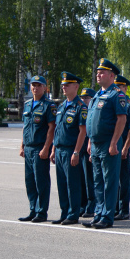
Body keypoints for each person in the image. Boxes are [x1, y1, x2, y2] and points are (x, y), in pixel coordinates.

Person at [84, 58, 128, 229]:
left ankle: (107, 216)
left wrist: (114, 142)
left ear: (111, 75)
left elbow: (121, 119)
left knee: (109, 181)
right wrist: (89, 141)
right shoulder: (97, 95)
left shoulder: (116, 94)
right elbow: (91, 121)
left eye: (102, 72)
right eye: (97, 72)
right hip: (95, 143)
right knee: (97, 181)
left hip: (109, 143)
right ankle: (98, 213)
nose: (98, 74)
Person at [50, 72, 87, 225]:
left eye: (67, 85)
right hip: (59, 149)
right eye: (63, 85)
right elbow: (57, 129)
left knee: (73, 183)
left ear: (76, 87)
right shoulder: (61, 106)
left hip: (71, 150)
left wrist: (76, 152)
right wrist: (53, 149)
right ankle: (64, 212)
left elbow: (82, 131)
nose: (64, 87)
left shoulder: (80, 106)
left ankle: (73, 214)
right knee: (62, 184)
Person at [19, 75, 56, 222]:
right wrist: (22, 145)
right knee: (30, 181)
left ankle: (41, 212)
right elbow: (25, 127)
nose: (35, 87)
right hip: (28, 148)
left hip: (40, 148)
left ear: (45, 88)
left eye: (39, 85)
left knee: (41, 181)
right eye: (33, 85)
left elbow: (51, 128)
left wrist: (47, 148)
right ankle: (32, 209)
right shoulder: (28, 104)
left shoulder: (48, 105)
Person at [113, 75, 130, 221]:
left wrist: (126, 147)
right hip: (113, 145)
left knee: (123, 179)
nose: (116, 90)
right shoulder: (113, 102)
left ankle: (124, 209)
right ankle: (114, 208)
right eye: (115, 87)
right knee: (112, 179)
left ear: (125, 88)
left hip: (123, 144)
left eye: (119, 87)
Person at [78, 87, 97, 218]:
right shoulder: (81, 110)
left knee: (90, 178)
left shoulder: (92, 111)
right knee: (81, 179)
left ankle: (91, 206)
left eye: (87, 98)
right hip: (80, 149)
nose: (84, 100)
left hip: (89, 148)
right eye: (83, 97)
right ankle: (82, 204)